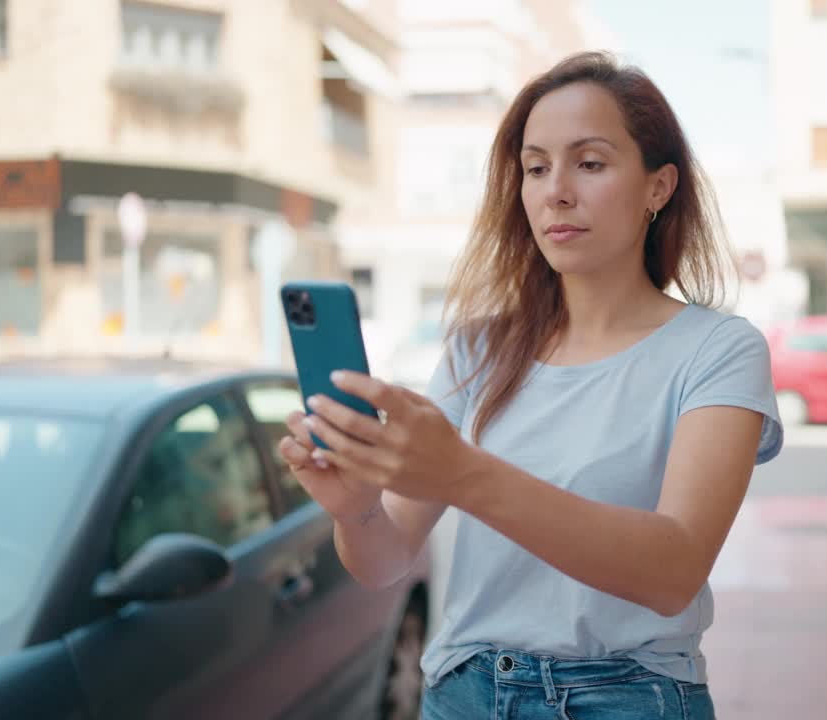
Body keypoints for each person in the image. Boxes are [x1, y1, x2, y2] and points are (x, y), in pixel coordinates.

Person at [279, 50, 782, 720]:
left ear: (658, 187)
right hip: (465, 695)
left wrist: (463, 475)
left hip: (630, 698)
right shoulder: (477, 349)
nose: (556, 191)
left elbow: (673, 570)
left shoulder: (718, 350)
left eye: (591, 163)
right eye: (537, 167)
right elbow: (383, 560)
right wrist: (356, 507)